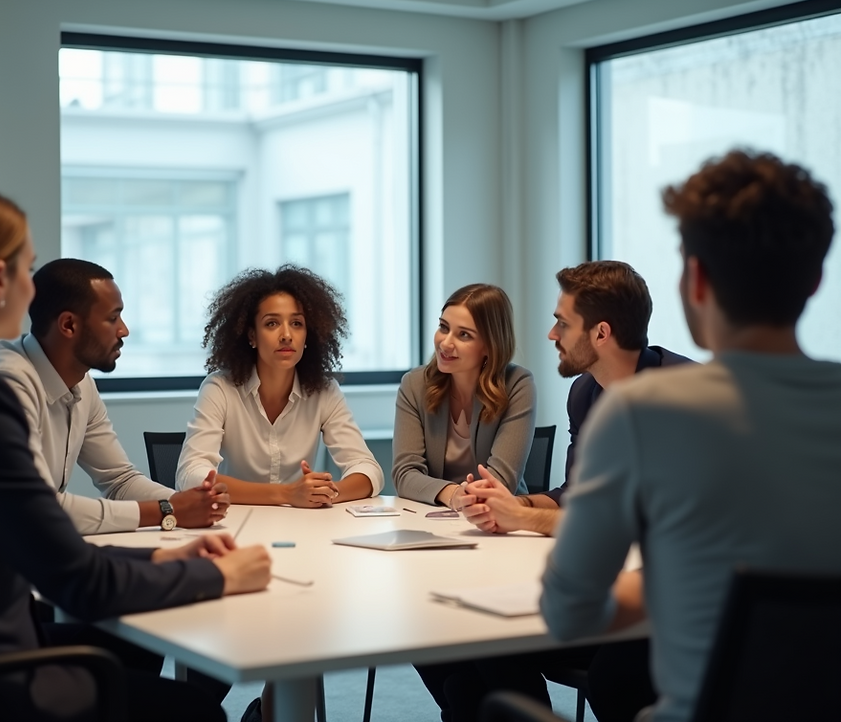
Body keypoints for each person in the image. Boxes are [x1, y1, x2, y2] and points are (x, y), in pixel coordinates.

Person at [0, 180, 271, 721]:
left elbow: (42, 544)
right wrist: (221, 575)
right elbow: (77, 581)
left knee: (147, 643)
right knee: (196, 711)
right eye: (28, 270)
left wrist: (161, 554)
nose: (35, 289)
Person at [540, 150, 841, 722]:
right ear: (816, 278)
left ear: (696, 278)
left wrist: (667, 581)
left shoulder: (640, 413)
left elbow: (568, 613)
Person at [453, 262, 693, 720]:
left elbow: (635, 524)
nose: (550, 333)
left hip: (664, 606)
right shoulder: (586, 392)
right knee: (483, 643)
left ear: (601, 333)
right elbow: (573, 495)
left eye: (562, 323)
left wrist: (523, 518)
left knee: (613, 679)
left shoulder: (680, 396)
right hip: (610, 584)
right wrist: (510, 504)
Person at [0, 258, 229, 536]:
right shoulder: (8, 384)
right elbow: (34, 506)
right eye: (113, 318)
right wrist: (168, 510)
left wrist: (189, 502)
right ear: (68, 325)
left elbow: (119, 481)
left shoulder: (81, 383)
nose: (124, 330)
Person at [391, 283, 536, 722]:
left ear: (490, 345)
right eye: (442, 328)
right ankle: (462, 700)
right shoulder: (416, 385)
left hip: (498, 536)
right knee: (414, 612)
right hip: (434, 533)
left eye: (463, 334)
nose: (445, 343)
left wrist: (472, 499)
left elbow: (502, 479)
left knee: (491, 647)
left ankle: (484, 703)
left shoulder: (517, 384)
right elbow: (404, 473)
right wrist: (453, 494)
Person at [175, 265, 383, 507]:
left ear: (309, 335)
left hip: (302, 526)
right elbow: (191, 476)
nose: (286, 335)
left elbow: (369, 470)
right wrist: (286, 494)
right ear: (251, 335)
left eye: (297, 324)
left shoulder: (324, 391)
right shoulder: (220, 389)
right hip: (235, 525)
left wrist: (322, 492)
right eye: (272, 324)